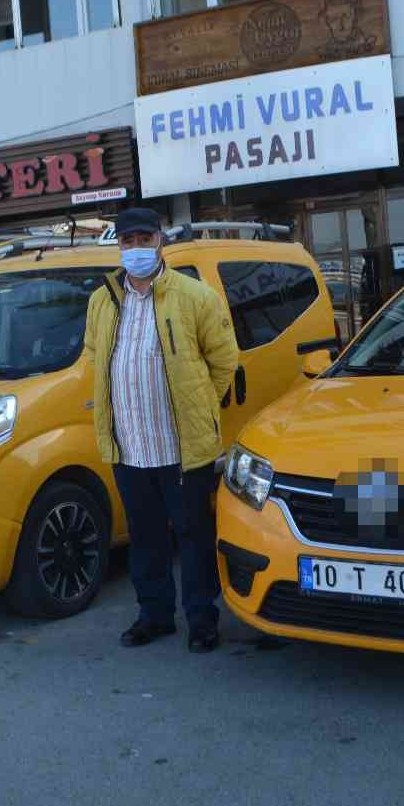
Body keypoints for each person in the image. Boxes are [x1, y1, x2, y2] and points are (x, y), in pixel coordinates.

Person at [83, 208, 239, 653]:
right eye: (127, 241)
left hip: (182, 445)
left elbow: (224, 360)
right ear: (119, 246)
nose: (135, 249)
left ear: (160, 241)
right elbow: (95, 354)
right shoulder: (102, 300)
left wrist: (200, 404)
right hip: (129, 445)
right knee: (145, 535)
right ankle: (153, 616)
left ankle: (202, 620)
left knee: (192, 534)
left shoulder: (195, 296)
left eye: (143, 238)